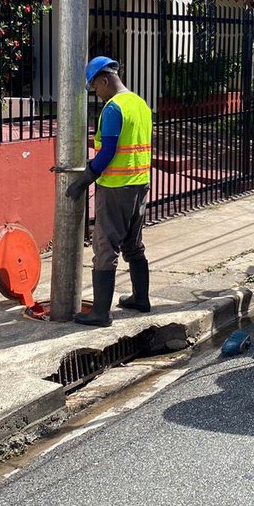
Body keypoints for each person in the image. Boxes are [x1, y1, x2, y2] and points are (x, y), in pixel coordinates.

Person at [66, 56, 153, 327]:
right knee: (133, 245)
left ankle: (100, 313)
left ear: (104, 80)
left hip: (116, 188)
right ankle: (141, 299)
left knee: (106, 247)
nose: (96, 93)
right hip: (140, 184)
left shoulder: (114, 108)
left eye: (95, 87)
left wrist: (85, 178)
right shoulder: (140, 104)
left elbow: (109, 151)